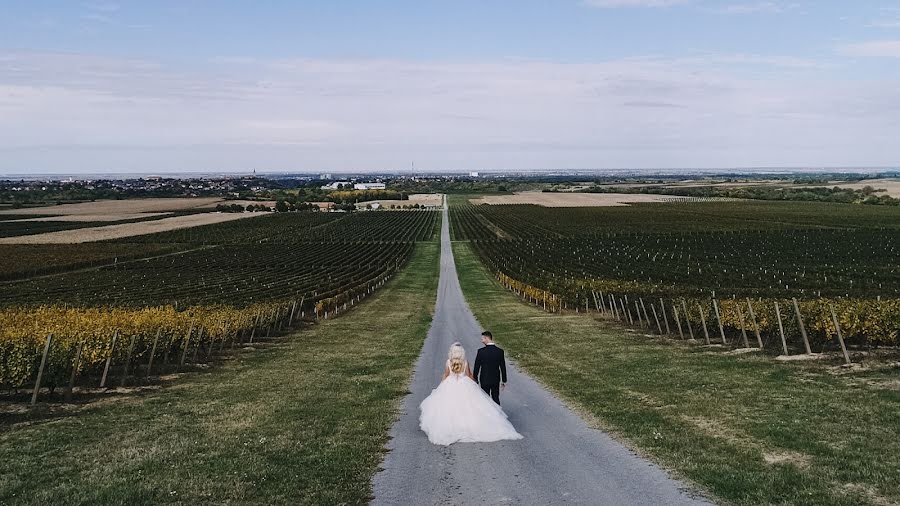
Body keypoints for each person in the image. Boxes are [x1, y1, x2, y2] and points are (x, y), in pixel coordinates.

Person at [419, 342, 523, 446]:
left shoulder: (448, 362)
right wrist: (475, 384)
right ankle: (469, 426)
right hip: (464, 384)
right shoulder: (464, 362)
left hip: (450, 384)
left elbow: (446, 375)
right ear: (462, 353)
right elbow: (469, 375)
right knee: (469, 406)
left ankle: (453, 426)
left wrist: (441, 386)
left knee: (450, 406)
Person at [473, 331, 507, 405]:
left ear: (486, 338)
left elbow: (477, 367)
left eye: (482, 338)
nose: (481, 341)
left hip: (484, 379)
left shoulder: (481, 352)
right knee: (495, 397)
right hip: (495, 379)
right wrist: (504, 380)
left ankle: (487, 415)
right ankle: (498, 414)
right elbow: (502, 367)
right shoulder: (500, 351)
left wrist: (475, 378)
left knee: (485, 399)